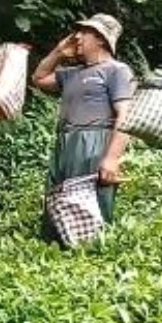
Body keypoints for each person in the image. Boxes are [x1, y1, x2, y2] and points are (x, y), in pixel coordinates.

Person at [31, 13, 135, 241]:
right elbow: (38, 79)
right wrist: (59, 52)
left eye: (84, 32)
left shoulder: (116, 70)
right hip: (65, 142)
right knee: (57, 201)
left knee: (90, 205)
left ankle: (93, 255)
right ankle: (56, 250)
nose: (76, 37)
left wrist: (112, 158)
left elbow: (126, 116)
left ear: (100, 39)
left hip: (94, 142)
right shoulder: (71, 74)